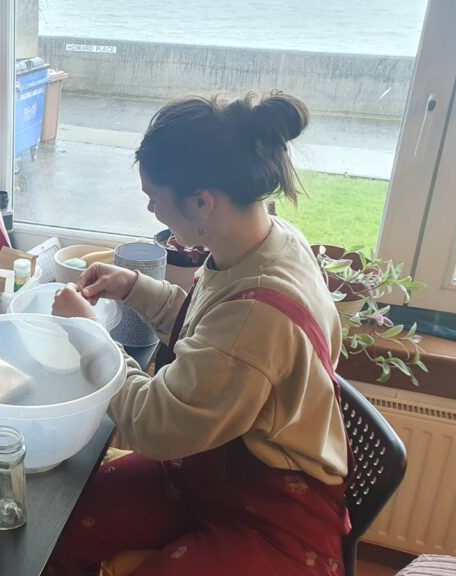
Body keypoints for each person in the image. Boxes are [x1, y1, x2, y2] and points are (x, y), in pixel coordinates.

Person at [49, 91, 351, 575]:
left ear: (202, 202)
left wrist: (89, 335)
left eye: (154, 197)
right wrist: (132, 287)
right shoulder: (266, 241)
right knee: (61, 528)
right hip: (210, 464)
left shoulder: (257, 316)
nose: (151, 208)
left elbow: (153, 422)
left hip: (274, 516)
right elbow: (206, 330)